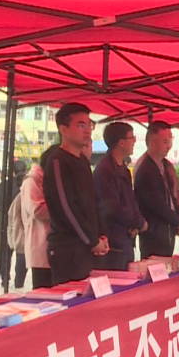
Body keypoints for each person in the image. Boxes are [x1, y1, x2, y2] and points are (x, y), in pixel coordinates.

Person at [43, 103, 108, 284]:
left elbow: (94, 202)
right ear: (63, 130)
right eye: (81, 125)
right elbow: (66, 208)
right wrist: (91, 241)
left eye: (89, 125)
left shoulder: (83, 162)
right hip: (68, 249)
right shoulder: (58, 161)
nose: (87, 130)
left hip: (87, 246)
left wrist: (101, 234)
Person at [93, 122, 146, 270]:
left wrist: (136, 223)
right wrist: (138, 223)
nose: (134, 141)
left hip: (126, 239)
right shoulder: (105, 169)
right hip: (113, 243)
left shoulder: (123, 169)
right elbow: (112, 207)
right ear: (121, 143)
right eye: (131, 137)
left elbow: (131, 200)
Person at [134, 122, 179, 259]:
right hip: (154, 234)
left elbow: (173, 194)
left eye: (170, 141)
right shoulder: (145, 169)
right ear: (152, 144)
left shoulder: (166, 165)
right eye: (165, 142)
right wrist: (178, 220)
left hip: (167, 231)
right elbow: (157, 204)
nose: (169, 146)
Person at [22, 146, 56, 289]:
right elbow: (37, 210)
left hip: (55, 247)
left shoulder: (48, 179)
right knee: (43, 291)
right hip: (41, 247)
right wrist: (62, 209)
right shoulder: (33, 180)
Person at [0, 159, 28, 288]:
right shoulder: (27, 185)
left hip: (5, 223)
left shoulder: (4, 185)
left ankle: (4, 278)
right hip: (24, 223)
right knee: (22, 251)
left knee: (4, 252)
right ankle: (19, 281)